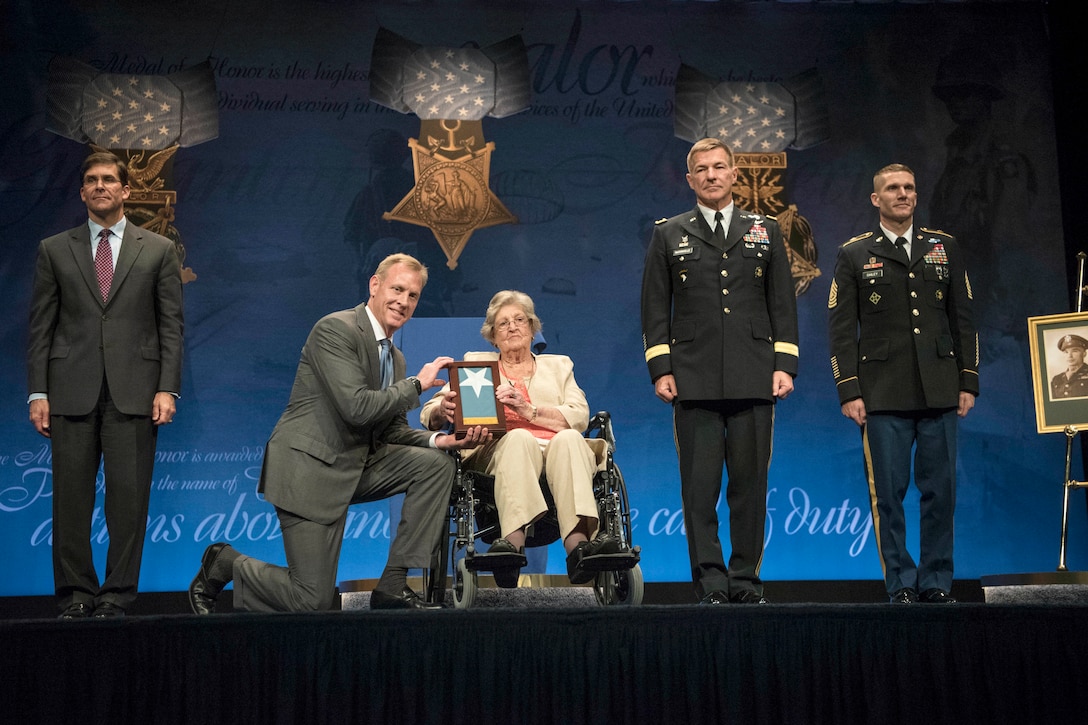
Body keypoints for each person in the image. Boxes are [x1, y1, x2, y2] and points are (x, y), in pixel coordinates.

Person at [188, 253, 489, 613]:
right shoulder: (335, 329)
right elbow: (357, 408)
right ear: (374, 285)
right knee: (311, 600)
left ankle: (392, 586)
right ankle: (224, 562)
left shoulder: (395, 358)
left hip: (355, 467)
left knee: (435, 465)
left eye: (413, 295)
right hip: (309, 472)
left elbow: (390, 430)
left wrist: (440, 440)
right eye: (397, 289)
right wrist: (416, 386)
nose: (404, 301)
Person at [639, 138, 799, 605]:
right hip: (693, 376)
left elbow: (782, 304)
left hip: (754, 374)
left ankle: (746, 582)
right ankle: (710, 583)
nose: (711, 175)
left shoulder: (765, 229)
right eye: (701, 170)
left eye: (719, 167)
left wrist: (784, 364)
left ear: (734, 174)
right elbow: (653, 309)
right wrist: (661, 369)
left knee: (750, 489)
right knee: (700, 489)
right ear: (690, 180)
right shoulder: (669, 233)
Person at [27, 151, 184, 619]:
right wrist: (38, 392)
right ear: (82, 192)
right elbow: (41, 327)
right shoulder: (54, 249)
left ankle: (116, 595)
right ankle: (76, 593)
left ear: (126, 191)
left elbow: (170, 325)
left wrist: (167, 388)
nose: (101, 186)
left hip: (135, 392)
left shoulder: (157, 249)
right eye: (92, 180)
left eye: (109, 180)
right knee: (71, 501)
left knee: (128, 501)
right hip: (69, 390)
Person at [828, 163, 979, 605]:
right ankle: (900, 583)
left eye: (909, 187)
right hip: (881, 393)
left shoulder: (944, 247)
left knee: (941, 493)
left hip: (939, 387)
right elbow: (840, 329)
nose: (903, 194)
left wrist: (967, 379)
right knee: (888, 498)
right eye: (893, 188)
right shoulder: (854, 253)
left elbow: (963, 320)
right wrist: (849, 389)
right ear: (876, 199)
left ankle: (935, 582)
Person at [420, 290, 621, 587]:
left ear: (532, 327)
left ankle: (578, 549)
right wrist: (443, 409)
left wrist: (529, 411)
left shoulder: (559, 366)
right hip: (496, 453)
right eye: (503, 324)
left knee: (568, 439)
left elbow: (579, 415)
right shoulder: (476, 364)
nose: (513, 327)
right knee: (519, 439)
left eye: (519, 320)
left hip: (556, 451)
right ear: (492, 336)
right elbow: (429, 414)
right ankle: (511, 545)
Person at [1051, 334, 1088, 399]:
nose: (1069, 356)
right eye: (1066, 352)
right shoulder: (1057, 379)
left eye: (1075, 351)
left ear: (1084, 353)